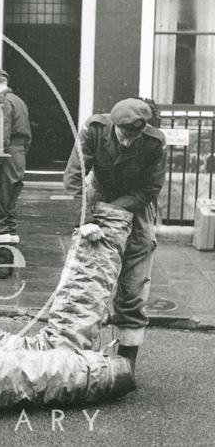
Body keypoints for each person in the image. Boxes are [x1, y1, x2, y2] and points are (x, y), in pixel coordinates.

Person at [64, 97, 167, 373]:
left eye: (134, 136)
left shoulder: (155, 143)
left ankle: (126, 363)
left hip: (135, 205)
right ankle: (74, 356)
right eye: (123, 134)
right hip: (97, 197)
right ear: (114, 125)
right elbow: (74, 177)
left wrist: (114, 213)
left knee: (134, 283)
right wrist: (86, 219)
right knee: (86, 279)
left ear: (143, 129)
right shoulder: (94, 129)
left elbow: (150, 189)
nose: (127, 142)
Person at [0, 68, 31, 277]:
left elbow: (0, 141)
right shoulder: (19, 101)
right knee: (9, 211)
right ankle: (8, 262)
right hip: (18, 158)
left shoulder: (2, 103)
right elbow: (27, 139)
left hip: (6, 158)